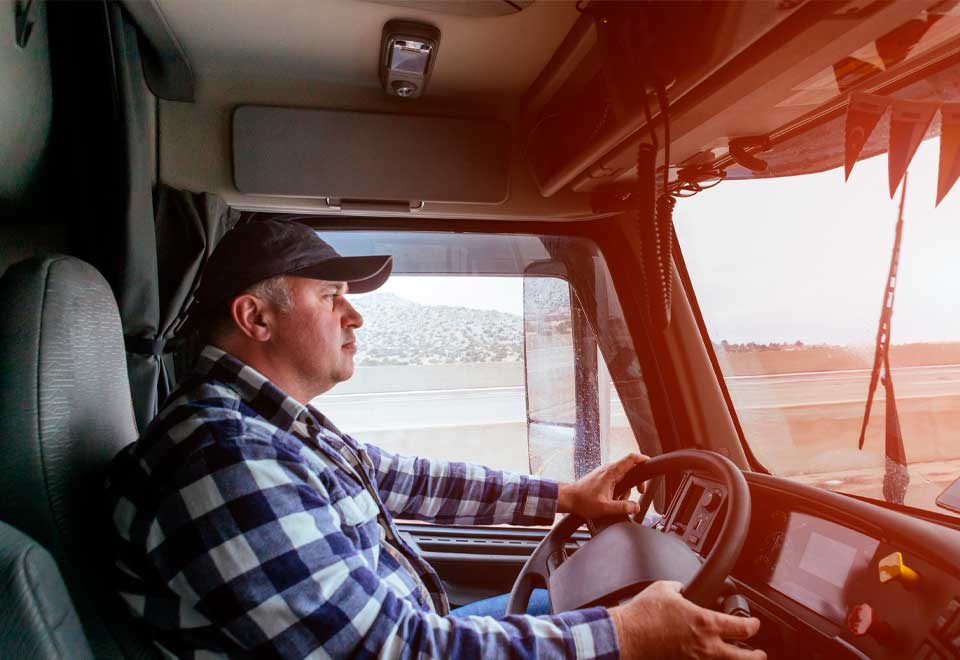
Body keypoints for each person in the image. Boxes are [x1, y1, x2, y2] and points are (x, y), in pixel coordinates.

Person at [105, 220, 765, 659]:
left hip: (408, 631)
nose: (354, 312)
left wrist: (569, 495)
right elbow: (395, 653)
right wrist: (628, 633)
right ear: (256, 317)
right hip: (403, 646)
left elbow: (401, 478)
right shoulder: (222, 461)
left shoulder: (269, 427)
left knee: (559, 606)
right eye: (331, 294)